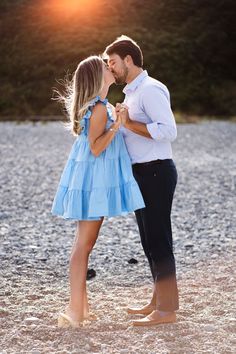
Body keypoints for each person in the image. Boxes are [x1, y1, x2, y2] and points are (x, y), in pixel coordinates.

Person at [51, 55, 145, 328]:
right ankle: (74, 312)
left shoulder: (97, 105)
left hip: (90, 181)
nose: (110, 68)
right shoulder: (100, 108)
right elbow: (95, 147)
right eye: (106, 67)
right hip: (93, 184)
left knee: (84, 245)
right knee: (83, 246)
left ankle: (81, 307)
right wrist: (117, 125)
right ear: (97, 76)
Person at [104, 35, 179, 326]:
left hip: (157, 171)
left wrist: (128, 123)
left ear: (128, 60)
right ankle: (157, 301)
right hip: (142, 173)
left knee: (159, 240)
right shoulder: (131, 93)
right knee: (149, 241)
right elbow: (130, 132)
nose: (111, 68)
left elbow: (168, 130)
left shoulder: (150, 89)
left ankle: (167, 310)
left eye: (113, 62)